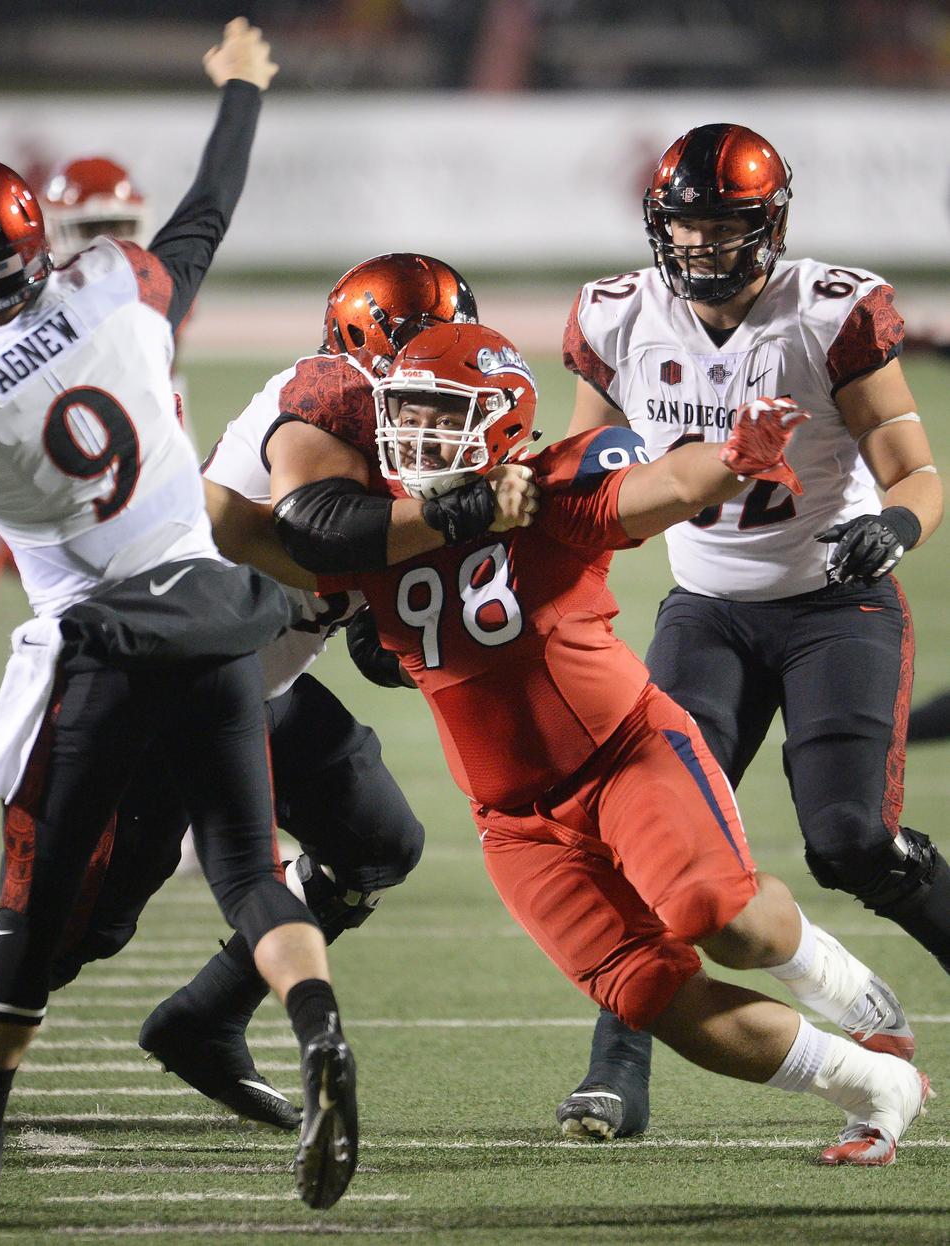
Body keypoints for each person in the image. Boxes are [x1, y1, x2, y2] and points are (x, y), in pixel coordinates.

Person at [0, 19, 357, 1214]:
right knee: (251, 872)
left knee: (36, 914)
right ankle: (316, 1027)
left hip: (93, 652)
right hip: (211, 619)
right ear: (39, 242)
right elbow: (207, 211)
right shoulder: (116, 288)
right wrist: (241, 91)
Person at [318, 318, 930, 1166]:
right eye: (408, 412)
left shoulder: (543, 489)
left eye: (441, 413)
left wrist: (732, 457)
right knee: (649, 997)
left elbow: (656, 487)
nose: (417, 433)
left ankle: (852, 991)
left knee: (723, 921)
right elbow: (286, 547)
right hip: (514, 821)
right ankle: (871, 1084)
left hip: (623, 756)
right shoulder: (375, 522)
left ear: (498, 420)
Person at [560, 122, 947, 1141]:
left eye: (724, 227)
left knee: (849, 843)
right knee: (652, 842)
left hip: (834, 603)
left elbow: (917, 467)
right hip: (707, 608)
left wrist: (893, 524)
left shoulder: (826, 314)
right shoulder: (615, 318)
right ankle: (615, 1068)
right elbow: (585, 480)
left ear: (768, 227)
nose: (700, 248)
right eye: (684, 226)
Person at [138, 251, 495, 1089]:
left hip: (262, 683)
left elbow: (365, 596)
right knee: (88, 911)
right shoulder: (324, 395)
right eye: (418, 347)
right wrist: (449, 518)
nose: (433, 367)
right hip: (177, 682)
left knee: (375, 841)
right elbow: (316, 530)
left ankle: (206, 1015)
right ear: (361, 349)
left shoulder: (413, 416)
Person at [0, 156, 151, 662]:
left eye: (119, 227)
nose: (105, 243)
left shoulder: (139, 289)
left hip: (60, 485)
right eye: (90, 229)